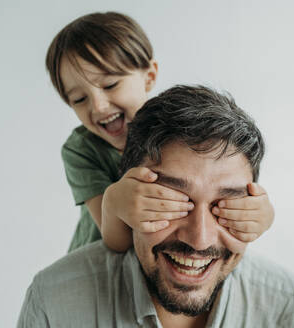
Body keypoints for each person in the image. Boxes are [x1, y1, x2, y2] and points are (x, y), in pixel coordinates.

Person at [18, 85, 294, 327]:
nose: (200, 238)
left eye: (225, 206)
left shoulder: (291, 311)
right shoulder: (54, 302)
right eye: (170, 202)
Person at [45, 12, 274, 253]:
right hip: (105, 259)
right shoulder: (81, 148)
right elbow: (117, 243)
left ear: (149, 76)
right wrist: (113, 202)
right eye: (79, 99)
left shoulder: (174, 131)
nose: (98, 106)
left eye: (111, 85)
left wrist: (263, 215)